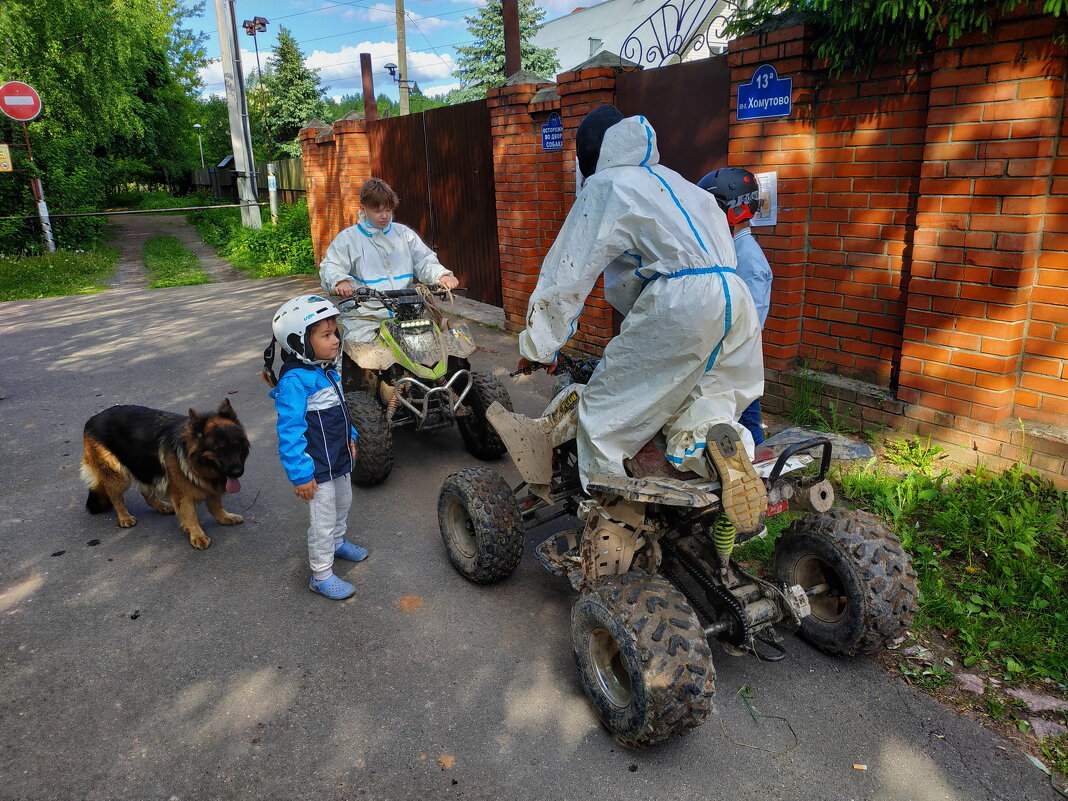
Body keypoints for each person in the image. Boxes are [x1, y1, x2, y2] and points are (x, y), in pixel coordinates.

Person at [517, 105, 766, 529]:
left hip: (683, 301)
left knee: (603, 414)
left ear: (589, 156)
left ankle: (611, 523)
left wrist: (541, 346)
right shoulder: (684, 185)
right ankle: (725, 453)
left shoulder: (607, 185)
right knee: (703, 402)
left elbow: (567, 273)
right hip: (734, 297)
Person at [263, 295, 367, 601]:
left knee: (343, 503)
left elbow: (342, 410)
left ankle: (337, 542)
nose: (335, 341)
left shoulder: (326, 370)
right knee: (321, 521)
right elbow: (289, 431)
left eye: (335, 333)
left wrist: (352, 436)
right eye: (326, 335)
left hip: (339, 457)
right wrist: (300, 475)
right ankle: (321, 575)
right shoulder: (296, 381)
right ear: (299, 343)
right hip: (317, 467)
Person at [319, 177, 459, 344]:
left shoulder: (403, 234)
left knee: (433, 347)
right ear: (363, 209)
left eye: (388, 210)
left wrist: (441, 276)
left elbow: (424, 260)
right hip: (366, 315)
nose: (384, 216)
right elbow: (331, 266)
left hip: (408, 310)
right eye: (377, 211)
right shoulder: (349, 239)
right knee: (362, 354)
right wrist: (340, 281)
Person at [698, 167, 773, 446]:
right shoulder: (729, 250)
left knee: (746, 421)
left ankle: (761, 477)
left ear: (732, 210)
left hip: (737, 362)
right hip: (724, 359)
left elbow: (749, 320)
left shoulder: (749, 259)